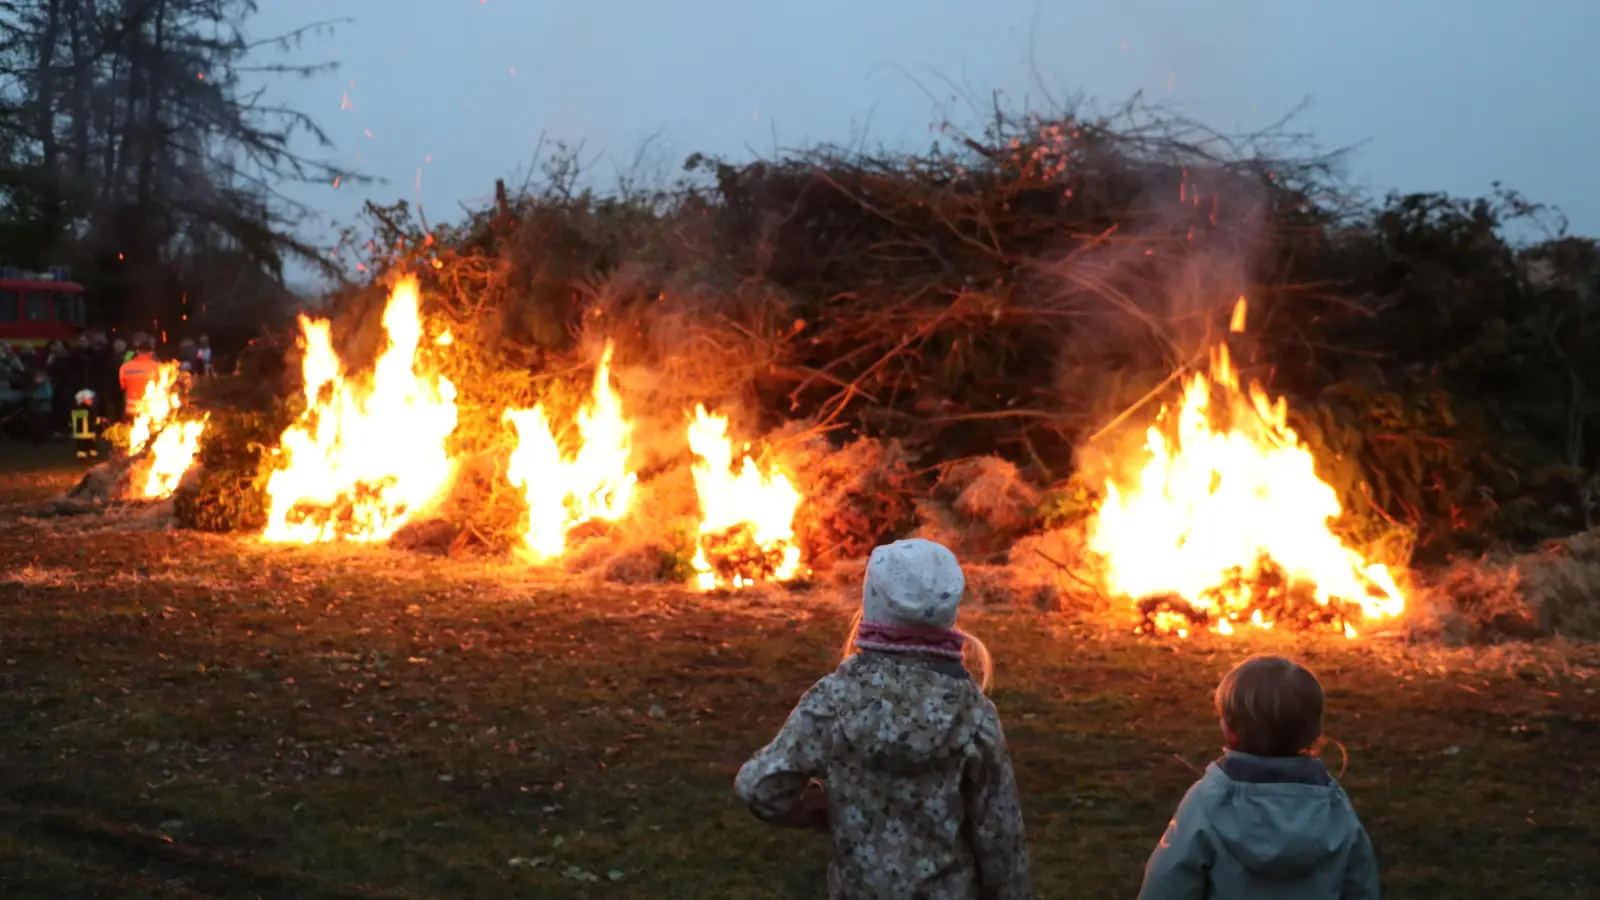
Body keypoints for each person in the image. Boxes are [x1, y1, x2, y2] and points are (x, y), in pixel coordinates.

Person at [734, 538, 1031, 900]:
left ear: (870, 602)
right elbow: (1000, 837)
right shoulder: (974, 716)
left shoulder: (833, 701)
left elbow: (759, 787)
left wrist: (823, 808)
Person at [1137, 655, 1380, 900]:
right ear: (1315, 733)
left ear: (1229, 731)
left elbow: (1165, 887)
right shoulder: (1335, 807)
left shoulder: (1207, 802)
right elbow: (1361, 887)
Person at [118, 334, 161, 417]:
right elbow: (159, 386)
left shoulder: (125, 367)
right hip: (149, 408)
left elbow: (122, 386)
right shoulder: (156, 367)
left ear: (137, 351)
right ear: (150, 353)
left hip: (131, 408)